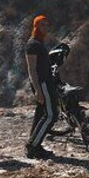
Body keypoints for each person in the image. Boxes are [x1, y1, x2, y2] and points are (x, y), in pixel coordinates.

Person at [25, 15, 57, 160]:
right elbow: (31, 70)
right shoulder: (32, 45)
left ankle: (35, 145)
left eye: (47, 25)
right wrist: (37, 90)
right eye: (42, 25)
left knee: (40, 115)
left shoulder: (39, 42)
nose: (45, 28)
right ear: (36, 26)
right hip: (42, 84)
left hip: (46, 82)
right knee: (51, 115)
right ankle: (32, 147)